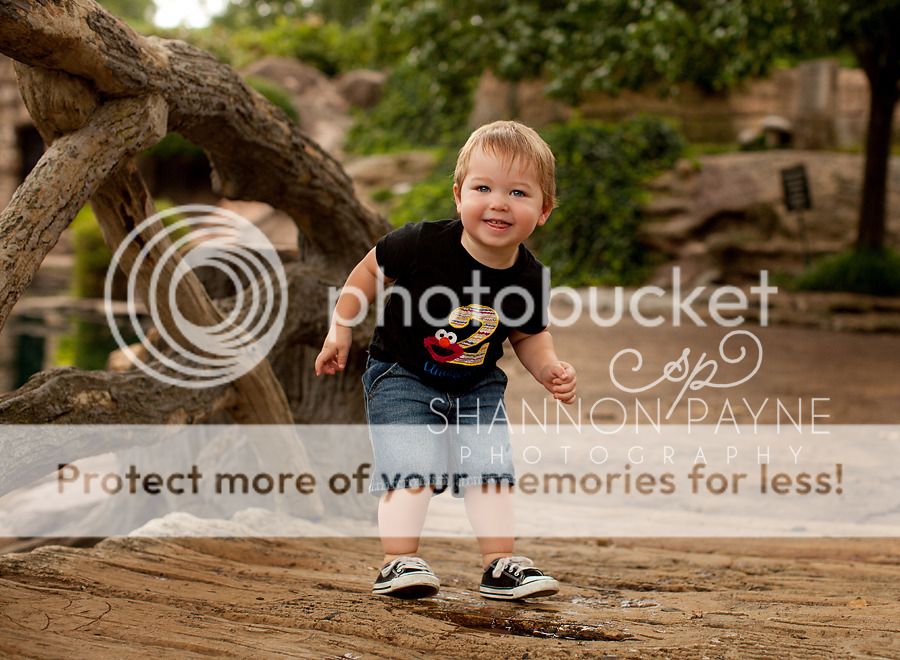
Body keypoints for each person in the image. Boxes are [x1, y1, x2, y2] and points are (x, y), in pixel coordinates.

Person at [315, 120, 577, 600]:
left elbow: (529, 333)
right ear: (459, 196)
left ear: (543, 210)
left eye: (518, 192)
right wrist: (341, 326)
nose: (498, 202)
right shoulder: (421, 244)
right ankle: (399, 561)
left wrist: (549, 370)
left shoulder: (529, 276)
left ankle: (499, 564)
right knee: (410, 463)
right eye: (483, 188)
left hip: (477, 385)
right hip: (402, 373)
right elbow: (369, 271)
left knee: (490, 470)